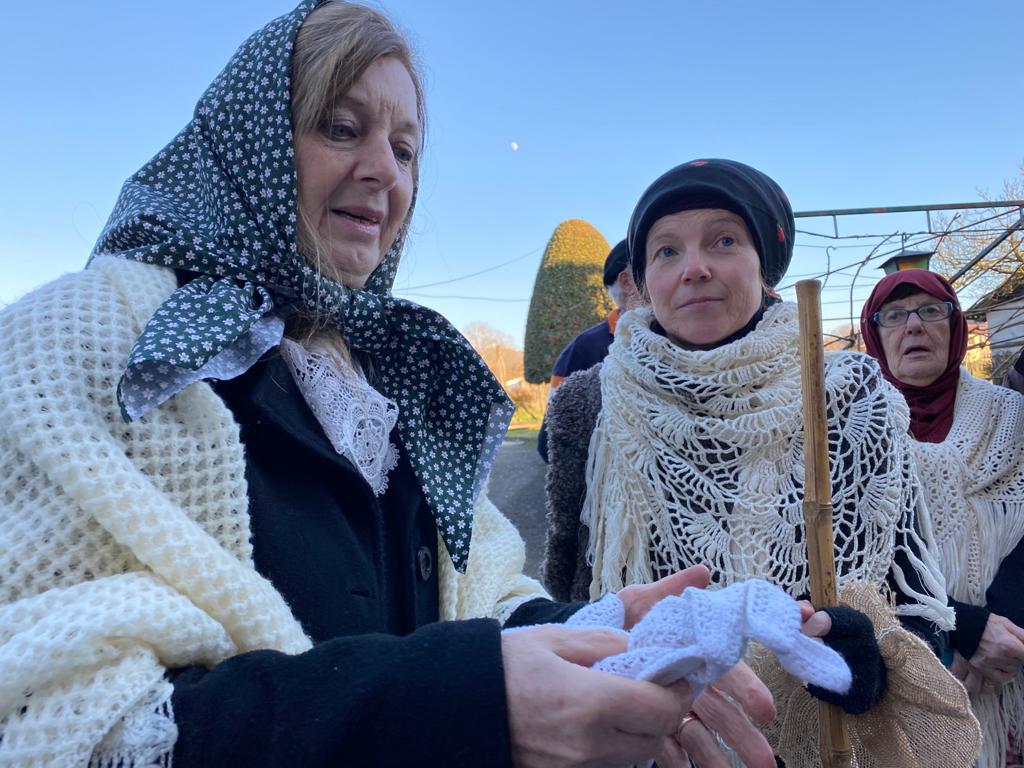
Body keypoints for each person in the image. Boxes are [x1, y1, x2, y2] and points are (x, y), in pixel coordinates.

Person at [0, 4, 779, 767]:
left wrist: (601, 636)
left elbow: (462, 611)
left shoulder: (391, 370)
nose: (386, 173)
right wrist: (460, 707)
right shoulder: (87, 337)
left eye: (405, 150)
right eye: (342, 128)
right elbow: (42, 713)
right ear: (250, 139)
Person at [542, 158, 980, 765]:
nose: (694, 268)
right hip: (656, 738)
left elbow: (915, 598)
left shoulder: (851, 397)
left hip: (819, 744)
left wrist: (871, 658)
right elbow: (569, 591)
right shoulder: (589, 405)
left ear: (765, 265)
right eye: (666, 251)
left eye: (724, 241)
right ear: (643, 279)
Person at [861, 269, 1024, 768]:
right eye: (894, 315)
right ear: (875, 336)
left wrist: (1001, 625)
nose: (913, 325)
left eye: (930, 310)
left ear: (955, 327)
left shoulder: (1014, 416)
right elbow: (852, 562)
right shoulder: (850, 433)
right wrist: (955, 631)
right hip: (905, 671)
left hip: (1012, 662)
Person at [537, 239, 642, 462]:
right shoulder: (582, 349)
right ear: (627, 282)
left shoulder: (683, 340)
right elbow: (550, 443)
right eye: (659, 259)